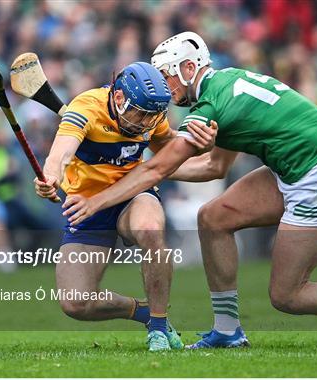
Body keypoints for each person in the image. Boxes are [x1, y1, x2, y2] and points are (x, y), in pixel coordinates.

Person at [62, 32, 317, 348]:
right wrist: (152, 170)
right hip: (293, 168)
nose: (162, 88)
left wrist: (103, 194)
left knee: (287, 295)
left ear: (188, 68)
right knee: (213, 218)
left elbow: (159, 166)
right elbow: (213, 167)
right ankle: (227, 331)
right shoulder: (224, 85)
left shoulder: (212, 104)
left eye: (166, 76)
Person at [34, 62, 216, 351]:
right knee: (76, 303)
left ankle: (158, 326)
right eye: (140, 115)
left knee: (149, 229)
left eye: (152, 117)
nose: (145, 124)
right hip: (85, 205)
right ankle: (143, 311)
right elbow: (62, 152)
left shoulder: (152, 115)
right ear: (119, 98)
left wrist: (203, 146)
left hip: (133, 195)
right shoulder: (86, 108)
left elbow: (170, 150)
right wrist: (50, 177)